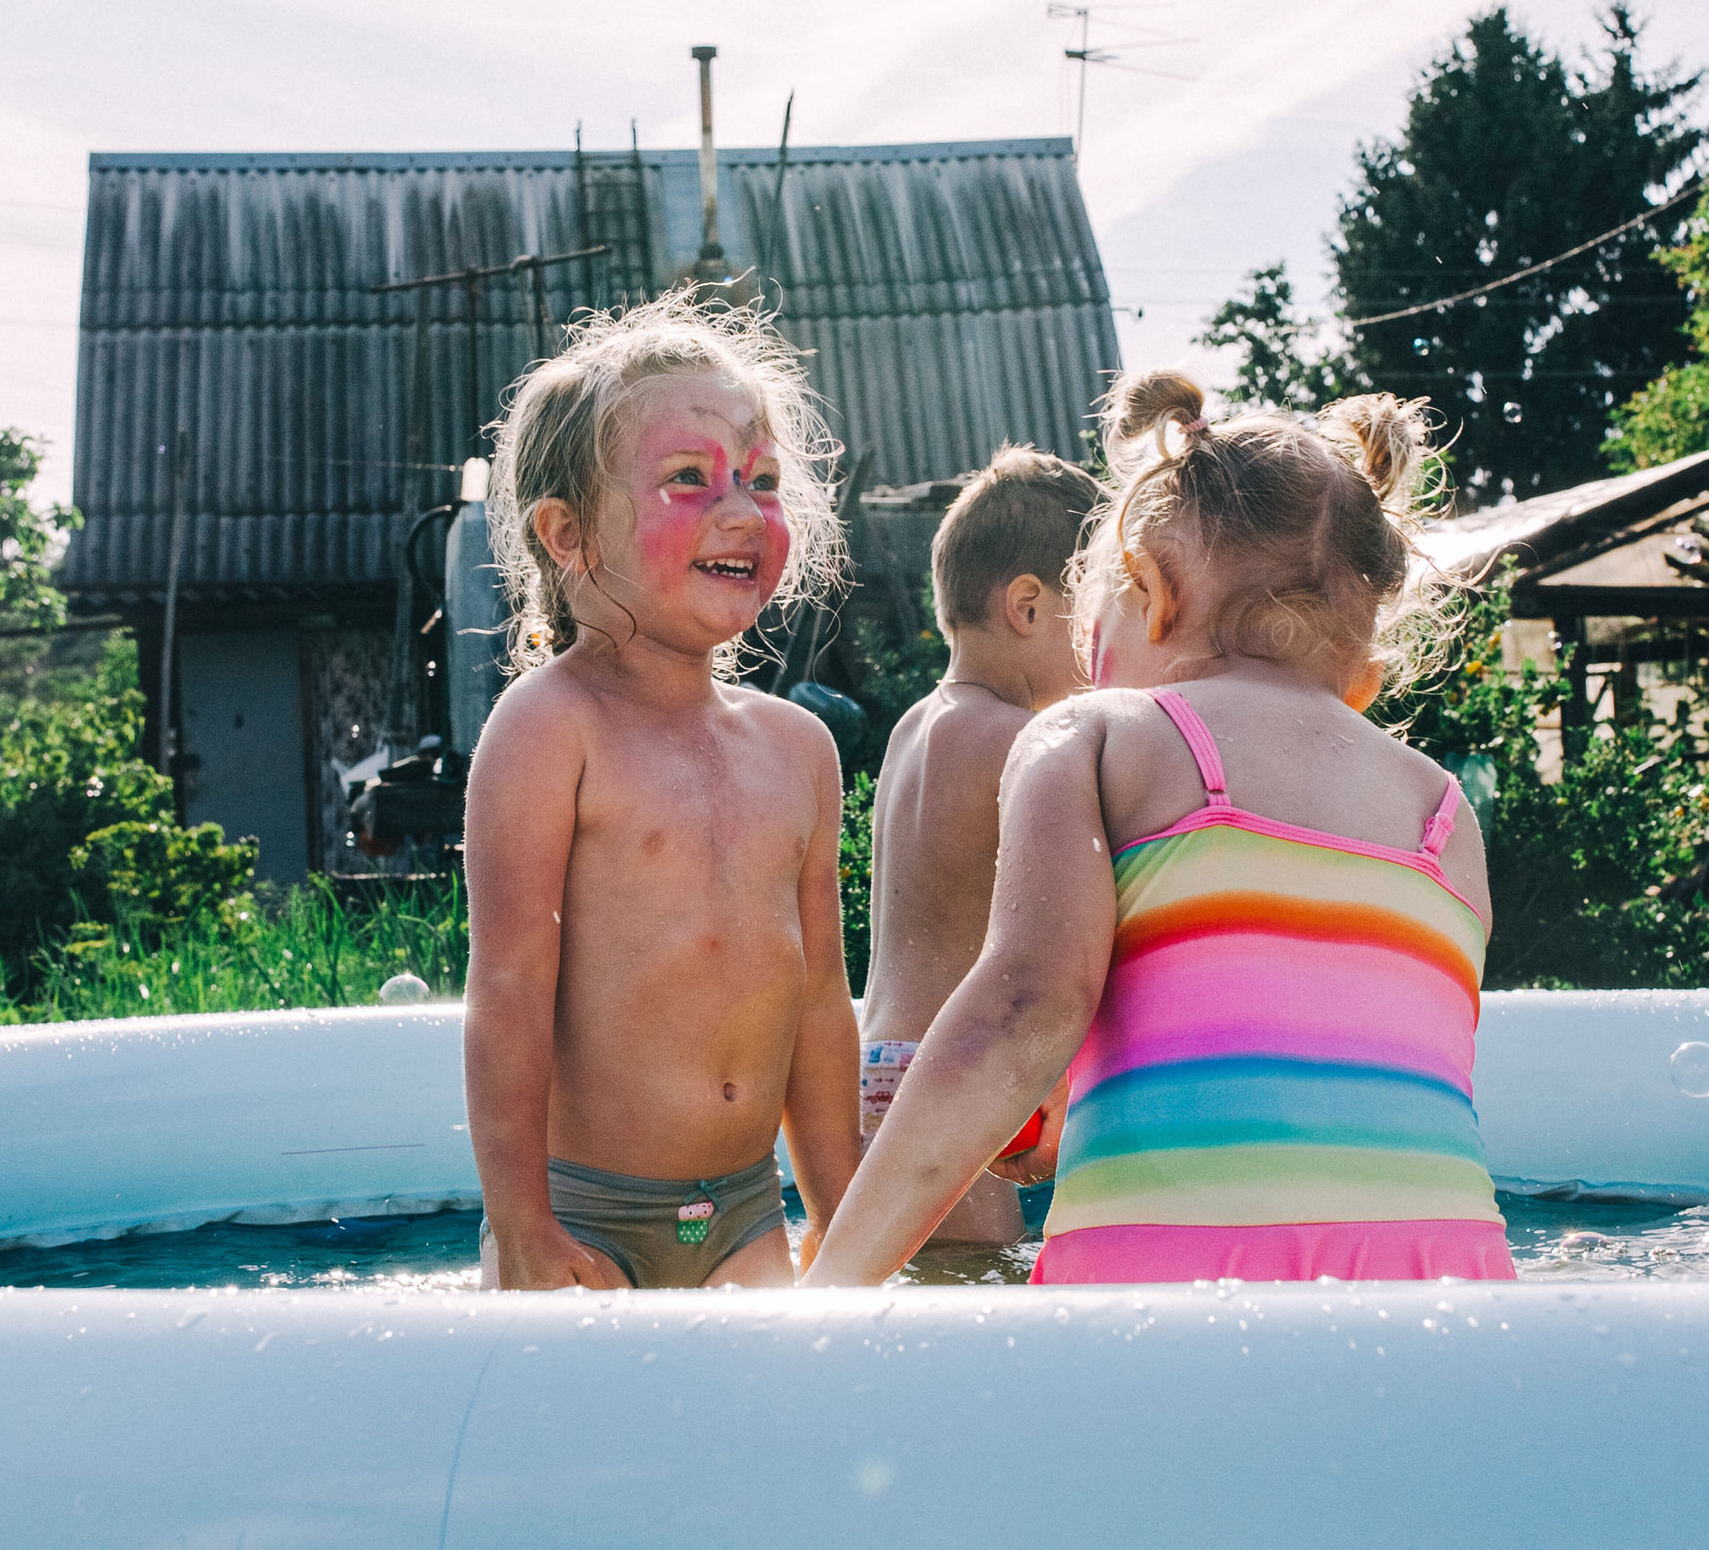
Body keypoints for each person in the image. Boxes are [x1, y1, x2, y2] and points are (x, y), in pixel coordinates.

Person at [805, 369, 1516, 1286]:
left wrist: (827, 1288)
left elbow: (1025, 1009)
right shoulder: (1444, 813)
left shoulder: (1097, 736)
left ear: (1148, 589)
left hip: (1169, 1285)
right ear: (1362, 671)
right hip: (1447, 1288)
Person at [462, 291, 862, 1290]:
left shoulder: (797, 748)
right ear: (567, 534)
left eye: (761, 480)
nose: (741, 509)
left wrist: (851, 1230)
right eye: (690, 478)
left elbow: (816, 1003)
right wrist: (521, 1227)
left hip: (743, 1212)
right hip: (579, 1218)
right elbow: (507, 990)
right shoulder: (551, 727)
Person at [859, 445, 1100, 1243]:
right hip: (952, 1072)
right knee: (974, 1281)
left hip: (879, 1064)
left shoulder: (913, 729)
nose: (1103, 652)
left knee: (915, 1279)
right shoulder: (1024, 739)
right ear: (1027, 606)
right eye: (1094, 615)